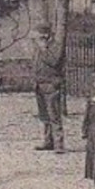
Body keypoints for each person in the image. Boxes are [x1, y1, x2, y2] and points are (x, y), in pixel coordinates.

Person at [31, 22, 66, 153]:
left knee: (54, 115)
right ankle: (47, 141)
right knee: (44, 115)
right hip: (39, 85)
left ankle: (59, 144)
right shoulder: (37, 48)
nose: (34, 40)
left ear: (45, 36)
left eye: (37, 36)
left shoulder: (55, 47)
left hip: (51, 85)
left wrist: (44, 48)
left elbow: (54, 61)